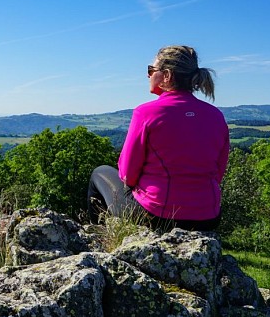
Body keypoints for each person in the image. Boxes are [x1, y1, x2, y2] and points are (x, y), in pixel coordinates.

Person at [88, 45, 229, 231]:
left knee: (100, 173)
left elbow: (127, 175)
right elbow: (218, 172)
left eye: (151, 70)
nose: (148, 75)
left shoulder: (146, 113)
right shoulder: (216, 116)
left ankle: (96, 238)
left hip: (157, 216)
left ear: (167, 75)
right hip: (208, 217)